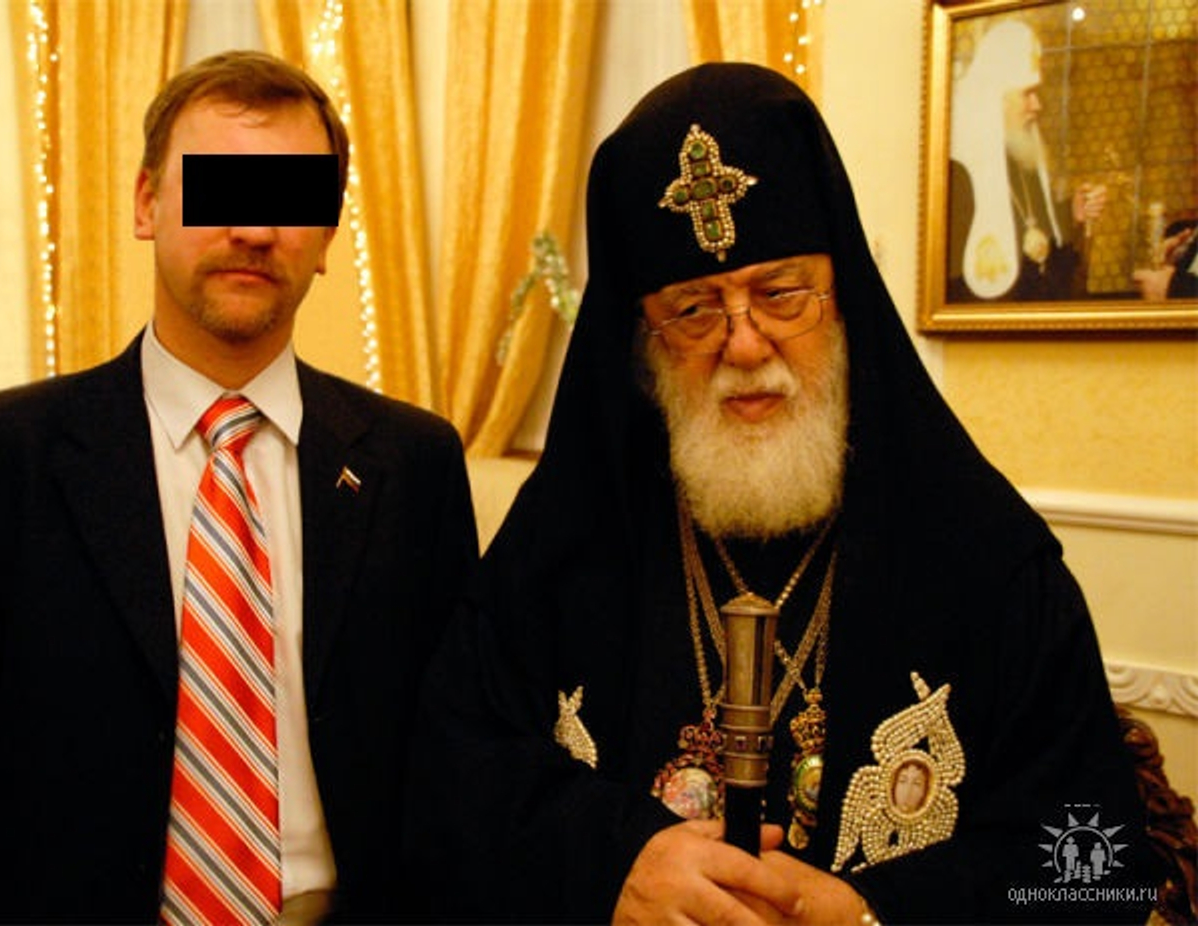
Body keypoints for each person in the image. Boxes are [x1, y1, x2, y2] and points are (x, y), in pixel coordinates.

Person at [408, 63, 1153, 924]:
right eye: (694, 310)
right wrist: (615, 862)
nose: (744, 344)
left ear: (843, 298)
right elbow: (445, 787)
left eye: (781, 294)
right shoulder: (562, 545)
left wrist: (871, 915)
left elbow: (1099, 870)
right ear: (643, 340)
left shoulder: (987, 560)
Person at [0, 50, 478, 924]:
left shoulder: (415, 465)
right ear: (147, 204)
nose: (253, 228)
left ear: (328, 234)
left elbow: (455, 758)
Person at [947, 19, 1106, 302]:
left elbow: (1034, 229)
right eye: (1027, 94)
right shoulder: (957, 171)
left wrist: (1070, 214)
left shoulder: (1020, 154)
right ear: (997, 99)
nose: (1037, 105)